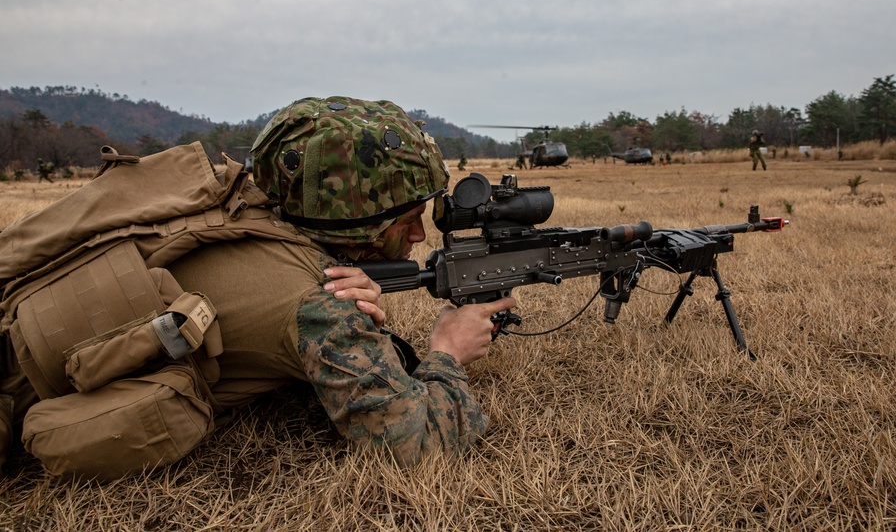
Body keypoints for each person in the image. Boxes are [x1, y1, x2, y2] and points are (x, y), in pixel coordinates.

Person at [1, 96, 516, 476]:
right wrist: (446, 351)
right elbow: (419, 448)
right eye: (405, 220)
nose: (419, 235)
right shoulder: (317, 307)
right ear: (357, 219)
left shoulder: (240, 202)